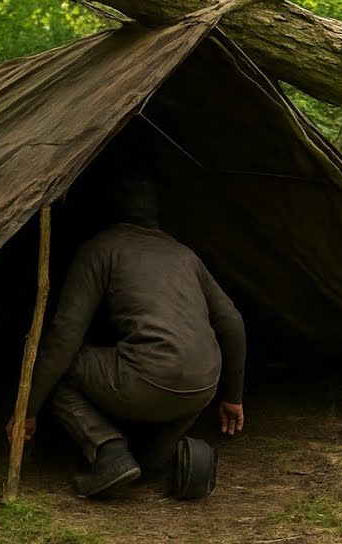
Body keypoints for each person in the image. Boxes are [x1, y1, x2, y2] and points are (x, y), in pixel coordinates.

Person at [13, 176, 246, 497]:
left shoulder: (102, 247)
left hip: (144, 378)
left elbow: (64, 335)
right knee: (148, 463)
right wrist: (233, 396)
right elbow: (232, 322)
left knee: (60, 368)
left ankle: (107, 449)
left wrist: (27, 410)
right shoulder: (184, 255)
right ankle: (162, 461)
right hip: (202, 386)